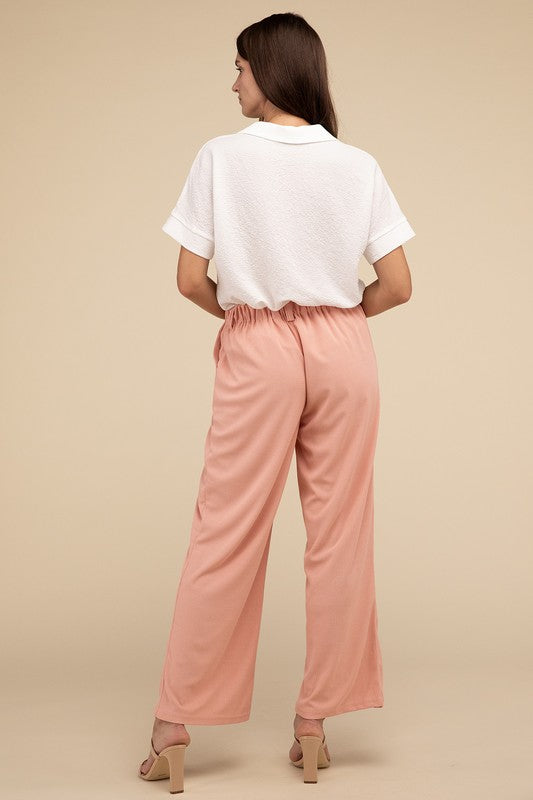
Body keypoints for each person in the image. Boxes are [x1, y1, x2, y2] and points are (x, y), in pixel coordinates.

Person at [139, 11, 415, 791]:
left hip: (258, 343)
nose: (232, 82)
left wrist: (250, 317)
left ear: (268, 70)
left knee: (224, 530)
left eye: (237, 68)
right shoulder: (356, 165)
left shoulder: (221, 159)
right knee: (338, 534)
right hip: (342, 350)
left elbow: (191, 279)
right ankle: (314, 724)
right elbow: (396, 285)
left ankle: (173, 728)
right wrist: (338, 318)